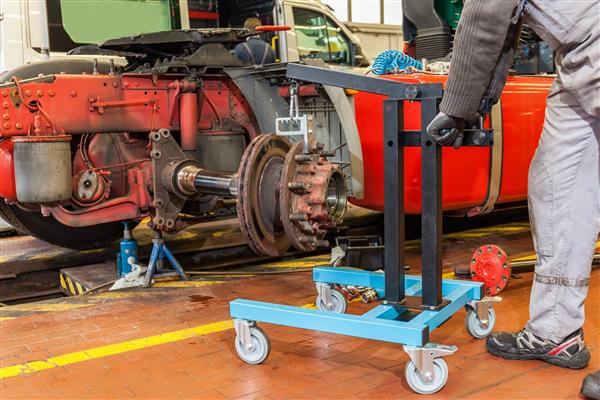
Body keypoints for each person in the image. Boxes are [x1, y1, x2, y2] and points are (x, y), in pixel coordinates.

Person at [426, 0, 599, 397]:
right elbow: (504, 23)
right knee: (555, 185)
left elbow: (484, 17)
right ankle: (555, 331)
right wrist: (476, 103)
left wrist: (456, 107)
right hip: (577, 58)